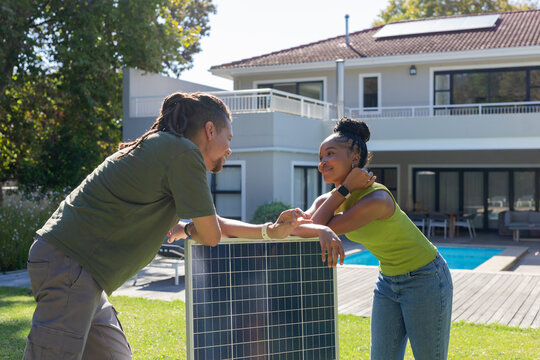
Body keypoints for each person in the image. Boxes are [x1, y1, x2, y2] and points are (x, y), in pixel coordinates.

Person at [23, 91, 344, 360]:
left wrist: (269, 231)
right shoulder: (183, 153)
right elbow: (210, 234)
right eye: (228, 138)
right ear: (209, 130)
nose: (230, 149)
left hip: (81, 274)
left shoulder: (165, 148)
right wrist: (191, 229)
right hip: (71, 267)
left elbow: (211, 224)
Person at [296, 117, 453, 360]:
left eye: (329, 154)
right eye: (320, 158)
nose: (322, 163)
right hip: (388, 281)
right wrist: (342, 191)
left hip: (426, 278)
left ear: (354, 159)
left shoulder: (377, 200)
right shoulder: (331, 199)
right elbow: (303, 229)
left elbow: (316, 224)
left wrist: (344, 191)